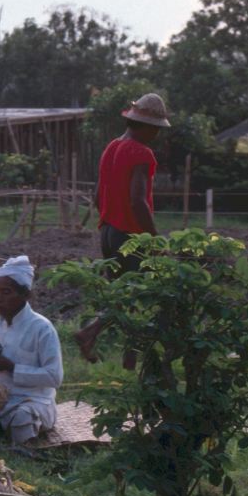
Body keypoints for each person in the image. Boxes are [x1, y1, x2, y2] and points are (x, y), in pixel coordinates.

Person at [73, 92, 170, 364]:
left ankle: (122, 353)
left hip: (108, 232)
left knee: (121, 294)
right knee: (149, 292)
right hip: (131, 236)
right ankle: (108, 340)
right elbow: (138, 201)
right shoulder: (141, 153)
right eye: (156, 129)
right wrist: (154, 240)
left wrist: (110, 220)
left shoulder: (111, 147)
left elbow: (97, 197)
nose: (157, 135)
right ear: (146, 126)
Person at [0, 255, 63, 445]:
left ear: (25, 295)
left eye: (6, 292)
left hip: (33, 400)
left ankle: (23, 446)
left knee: (23, 417)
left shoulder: (42, 328)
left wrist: (12, 367)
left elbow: (54, 377)